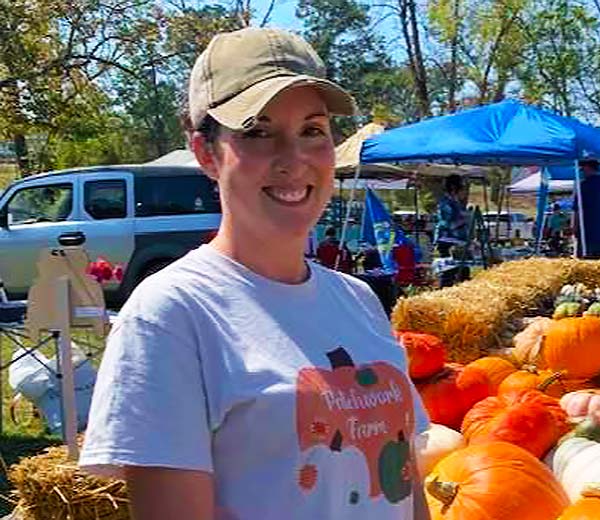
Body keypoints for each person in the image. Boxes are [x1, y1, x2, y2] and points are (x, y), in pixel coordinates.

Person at [79, 28, 431, 520]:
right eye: (258, 132)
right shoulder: (171, 315)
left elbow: (403, 489)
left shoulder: (358, 300)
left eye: (312, 130)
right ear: (206, 153)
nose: (294, 159)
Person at [434, 174, 469, 287]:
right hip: (448, 241)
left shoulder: (456, 203)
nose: (464, 191)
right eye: (462, 187)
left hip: (458, 241)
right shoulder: (446, 203)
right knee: (449, 271)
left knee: (463, 271)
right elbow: (447, 224)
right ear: (454, 188)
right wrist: (466, 219)